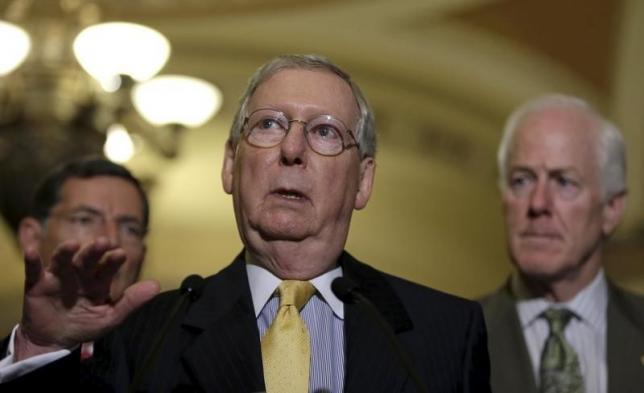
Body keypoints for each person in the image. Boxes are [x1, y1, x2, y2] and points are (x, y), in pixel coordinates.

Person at [2, 55, 490, 392]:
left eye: (324, 132)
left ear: (363, 181)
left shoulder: (444, 331)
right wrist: (44, 347)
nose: (292, 150)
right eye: (269, 125)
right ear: (230, 166)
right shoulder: (142, 335)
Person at [480, 94, 644, 393]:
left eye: (564, 182)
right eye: (522, 180)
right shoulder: (448, 341)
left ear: (612, 208)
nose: (538, 203)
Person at [0, 157, 150, 376]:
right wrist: (39, 348)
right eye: (84, 220)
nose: (111, 239)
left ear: (142, 254)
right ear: (32, 237)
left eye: (130, 229)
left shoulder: (178, 364)